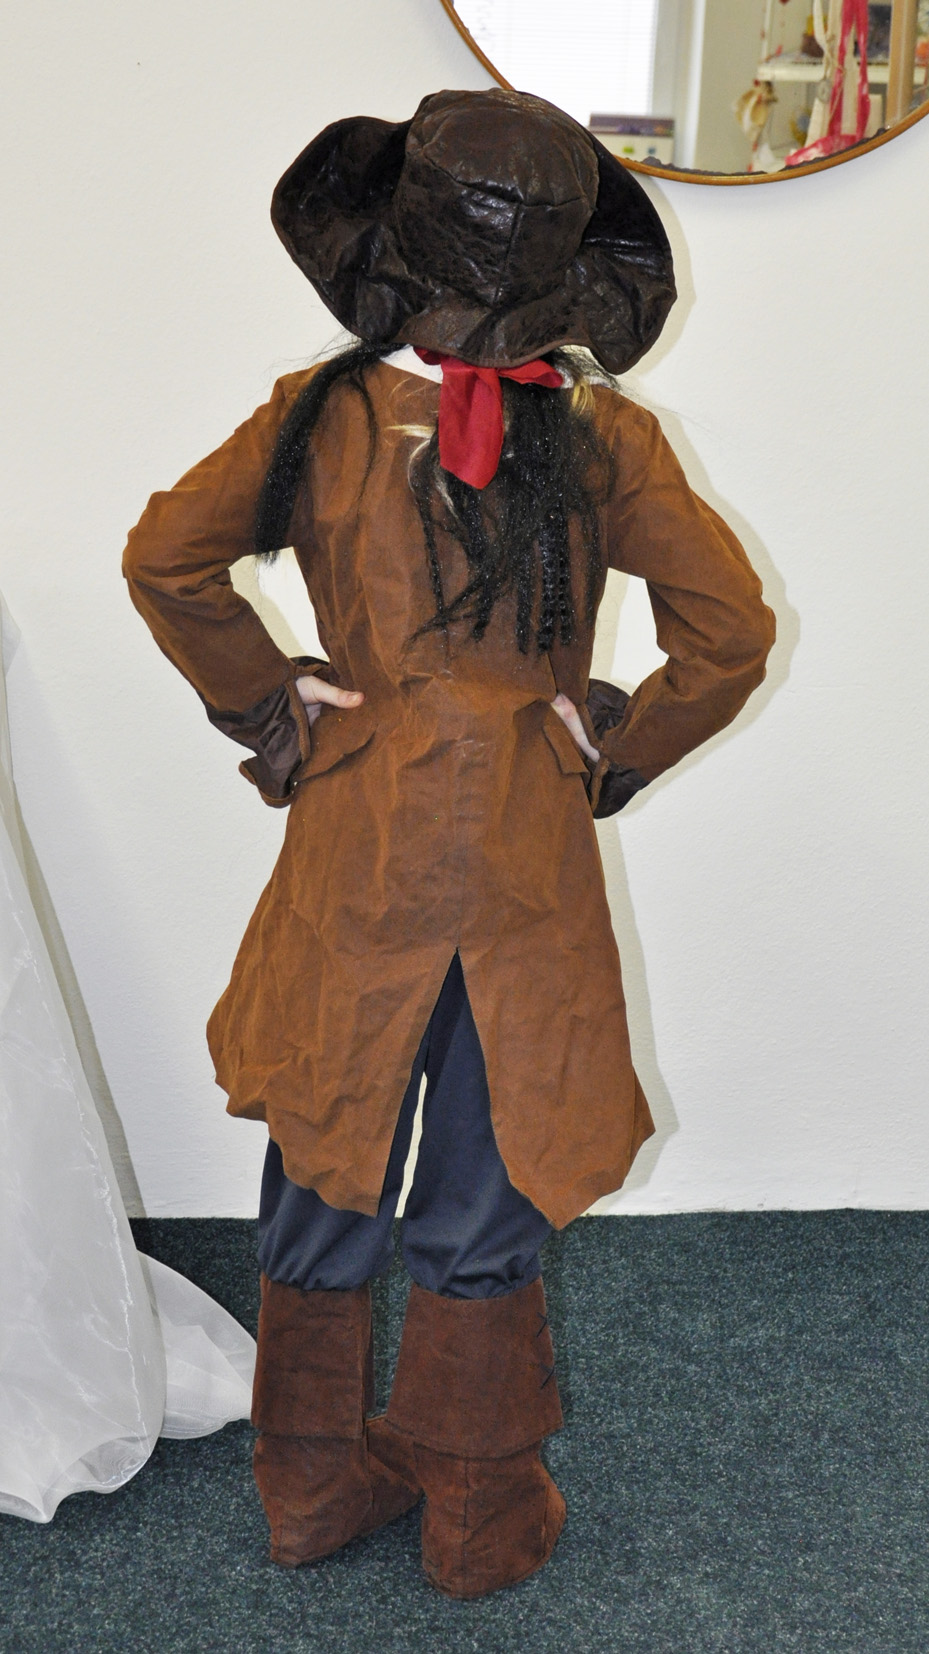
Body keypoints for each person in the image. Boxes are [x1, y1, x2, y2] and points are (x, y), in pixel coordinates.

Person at [122, 88, 775, 1598]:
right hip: (522, 863)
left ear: (393, 247)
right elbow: (729, 636)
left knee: (328, 1142)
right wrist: (612, 740)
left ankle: (305, 1486)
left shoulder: (323, 413)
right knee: (491, 1168)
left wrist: (271, 698)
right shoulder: (604, 436)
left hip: (358, 848)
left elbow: (164, 559)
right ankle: (479, 1515)